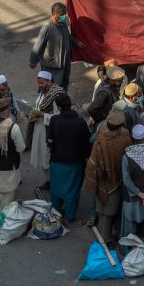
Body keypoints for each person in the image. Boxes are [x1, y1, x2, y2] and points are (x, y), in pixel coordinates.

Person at [85, 111, 131, 243]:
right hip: (116, 181)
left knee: (102, 209)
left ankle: (104, 234)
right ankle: (106, 238)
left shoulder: (100, 140)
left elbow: (92, 164)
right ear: (119, 127)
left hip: (101, 181)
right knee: (111, 211)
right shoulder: (125, 140)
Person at [47, 93, 90, 224]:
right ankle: (70, 216)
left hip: (57, 161)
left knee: (55, 188)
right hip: (75, 163)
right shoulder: (80, 122)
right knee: (72, 190)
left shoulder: (54, 121)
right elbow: (87, 141)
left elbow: (49, 141)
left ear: (59, 107)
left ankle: (56, 212)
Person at [29, 2, 80, 90]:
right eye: (62, 14)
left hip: (64, 62)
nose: (64, 16)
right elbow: (38, 45)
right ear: (54, 14)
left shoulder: (62, 23)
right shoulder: (47, 27)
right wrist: (33, 61)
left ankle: (62, 102)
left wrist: (76, 42)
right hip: (52, 65)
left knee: (64, 84)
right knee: (50, 87)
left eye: (65, 13)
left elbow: (67, 36)